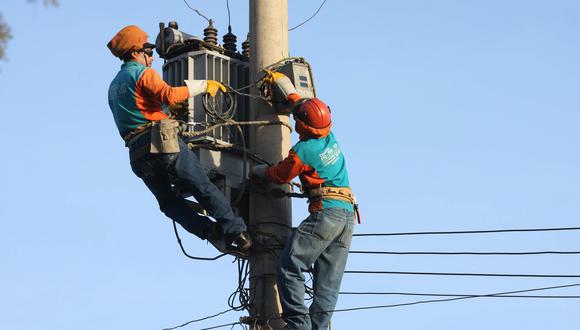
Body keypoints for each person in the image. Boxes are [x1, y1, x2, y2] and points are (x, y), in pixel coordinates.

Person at [107, 25, 251, 253]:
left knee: (168, 203)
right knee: (201, 185)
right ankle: (237, 232)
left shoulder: (114, 86)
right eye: (149, 51)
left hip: (138, 155)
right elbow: (169, 94)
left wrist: (169, 110)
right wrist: (205, 85)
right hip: (163, 143)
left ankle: (208, 232)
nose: (152, 58)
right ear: (136, 52)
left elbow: (140, 108)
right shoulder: (141, 72)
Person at [252, 71, 357, 330]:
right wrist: (289, 91)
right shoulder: (330, 136)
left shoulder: (302, 151)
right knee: (328, 282)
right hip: (347, 216)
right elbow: (305, 108)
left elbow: (280, 175)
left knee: (290, 266)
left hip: (327, 214)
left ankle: (299, 325)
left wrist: (259, 173)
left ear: (300, 126)